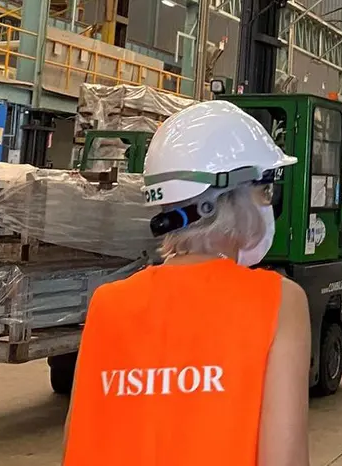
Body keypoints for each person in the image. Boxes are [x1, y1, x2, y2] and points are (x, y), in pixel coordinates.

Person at [63, 101, 311, 466]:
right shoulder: (278, 302)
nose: (267, 206)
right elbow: (284, 459)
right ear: (226, 200)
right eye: (264, 191)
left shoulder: (107, 304)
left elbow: (76, 442)